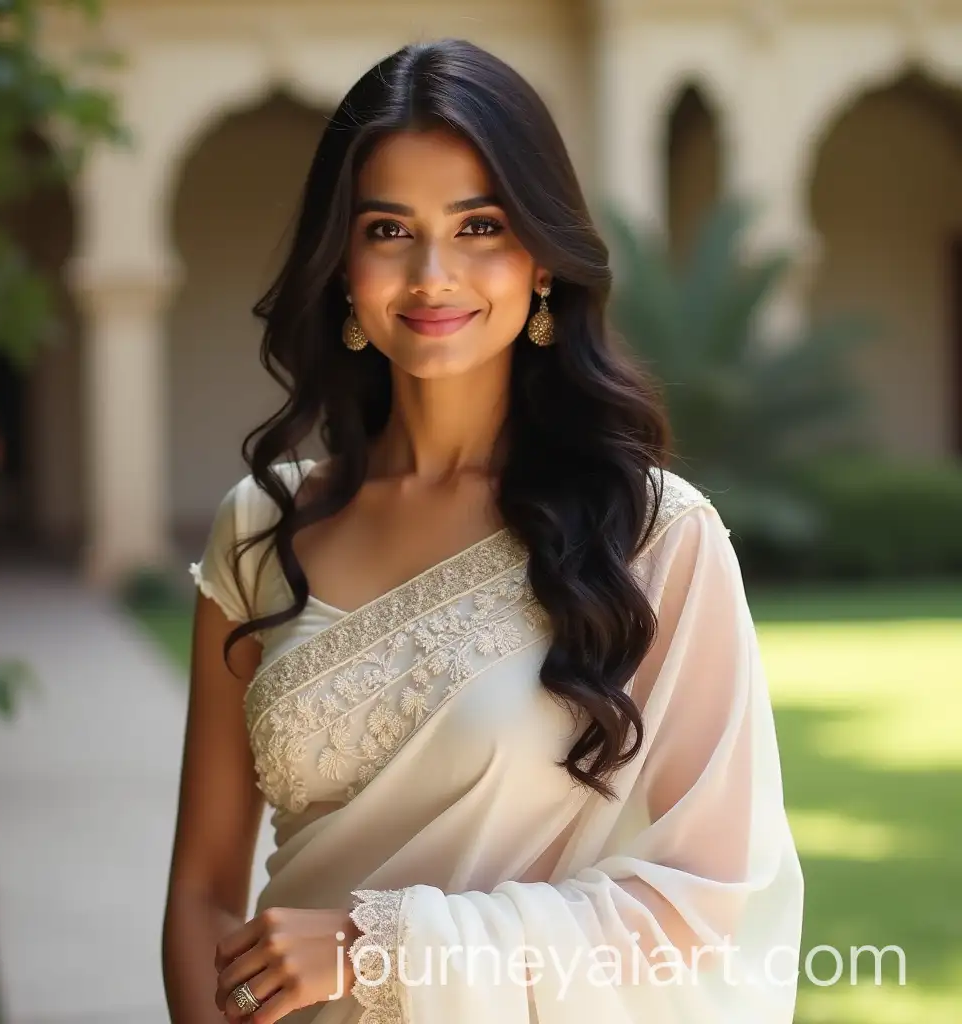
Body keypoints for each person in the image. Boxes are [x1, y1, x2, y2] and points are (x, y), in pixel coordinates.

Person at [162, 38, 804, 1024]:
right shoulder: (259, 531)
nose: (432, 275)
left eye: (479, 226)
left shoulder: (653, 538)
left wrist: (377, 946)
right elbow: (204, 888)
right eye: (388, 228)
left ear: (541, 257)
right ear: (341, 262)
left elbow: (704, 897)